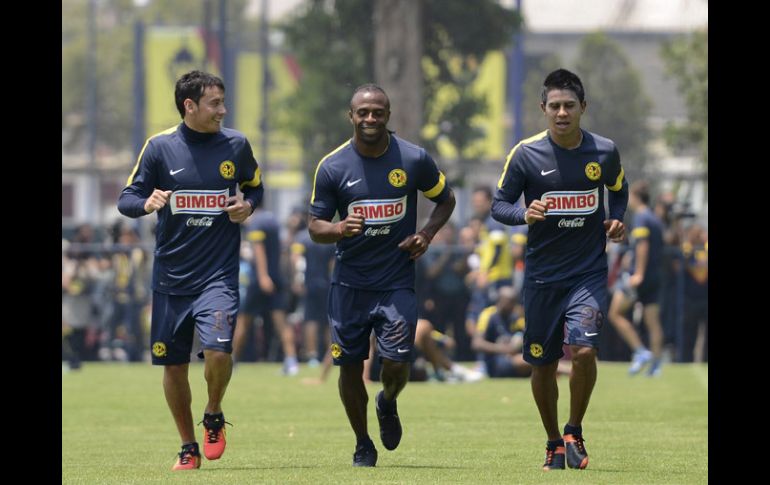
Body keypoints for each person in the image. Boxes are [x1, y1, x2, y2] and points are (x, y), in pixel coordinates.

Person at [117, 70, 263, 471]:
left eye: (223, 101)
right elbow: (126, 198)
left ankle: (213, 412)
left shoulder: (236, 145)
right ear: (190, 106)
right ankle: (187, 446)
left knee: (218, 350)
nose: (223, 110)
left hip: (218, 276)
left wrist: (247, 206)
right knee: (174, 365)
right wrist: (147, 202)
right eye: (215, 103)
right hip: (171, 280)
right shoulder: (159, 148)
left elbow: (255, 186)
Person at [308, 83, 455, 467]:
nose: (370, 118)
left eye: (378, 112)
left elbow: (446, 199)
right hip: (349, 286)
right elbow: (314, 226)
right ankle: (362, 443)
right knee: (349, 368)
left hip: (395, 282)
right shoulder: (333, 166)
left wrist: (426, 234)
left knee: (396, 363)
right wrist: (340, 228)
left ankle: (387, 401)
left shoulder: (413, 158)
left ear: (388, 116)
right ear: (351, 116)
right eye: (363, 112)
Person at [490, 69, 627, 471]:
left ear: (583, 108)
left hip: (586, 274)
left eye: (570, 105)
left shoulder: (604, 152)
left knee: (584, 351)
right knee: (542, 364)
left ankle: (574, 431)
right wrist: (523, 213)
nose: (562, 112)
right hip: (540, 279)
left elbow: (619, 190)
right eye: (555, 106)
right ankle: (552, 441)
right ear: (543, 110)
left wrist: (617, 219)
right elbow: (500, 205)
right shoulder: (525, 155)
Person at [607, 180, 666, 376]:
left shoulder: (641, 217)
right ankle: (656, 366)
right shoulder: (656, 219)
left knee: (615, 314)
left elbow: (642, 245)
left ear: (635, 197)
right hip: (656, 276)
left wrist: (638, 273)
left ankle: (640, 351)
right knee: (653, 322)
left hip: (639, 277)